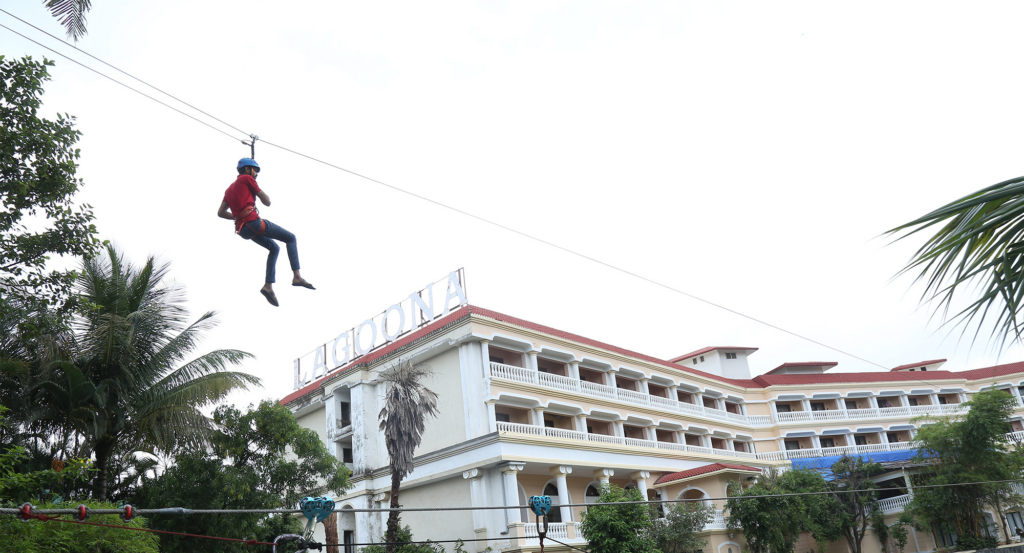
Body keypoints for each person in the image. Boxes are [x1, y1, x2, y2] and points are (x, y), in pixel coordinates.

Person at [218, 158, 314, 306]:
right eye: (254, 170)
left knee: (274, 248)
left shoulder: (229, 189)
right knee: (290, 238)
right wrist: (253, 195)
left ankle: (268, 286)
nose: (256, 173)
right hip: (253, 223)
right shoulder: (247, 178)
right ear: (247, 169)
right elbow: (267, 201)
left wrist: (238, 216)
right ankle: (297, 276)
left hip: (243, 230)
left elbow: (221, 212)